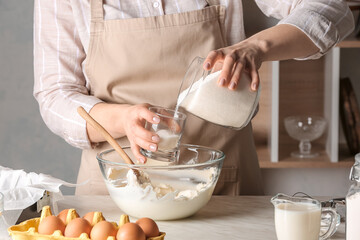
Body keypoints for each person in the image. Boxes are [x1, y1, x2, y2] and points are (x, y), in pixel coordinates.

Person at [34, 0, 354, 195]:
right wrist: (122, 119)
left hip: (223, 186)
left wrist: (257, 47)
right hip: (116, 193)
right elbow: (54, 94)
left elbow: (333, 11)